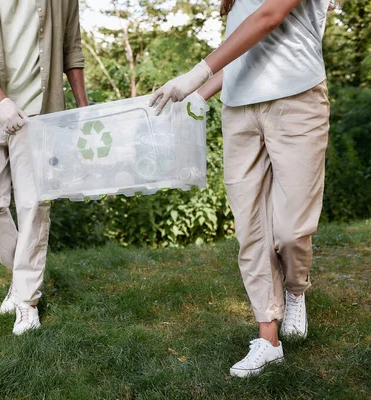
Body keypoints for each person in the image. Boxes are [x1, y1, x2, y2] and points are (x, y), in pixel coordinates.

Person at [151, 0, 332, 377]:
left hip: (296, 100)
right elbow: (245, 48)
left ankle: (295, 289)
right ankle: (268, 340)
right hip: (239, 111)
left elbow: (269, 17)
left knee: (291, 229)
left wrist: (198, 72)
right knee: (251, 229)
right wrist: (201, 94)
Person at [0, 0, 88, 335]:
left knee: (33, 205)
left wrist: (84, 108)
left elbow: (72, 49)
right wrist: (1, 101)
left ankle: (26, 301)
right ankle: (21, 271)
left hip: (41, 111)